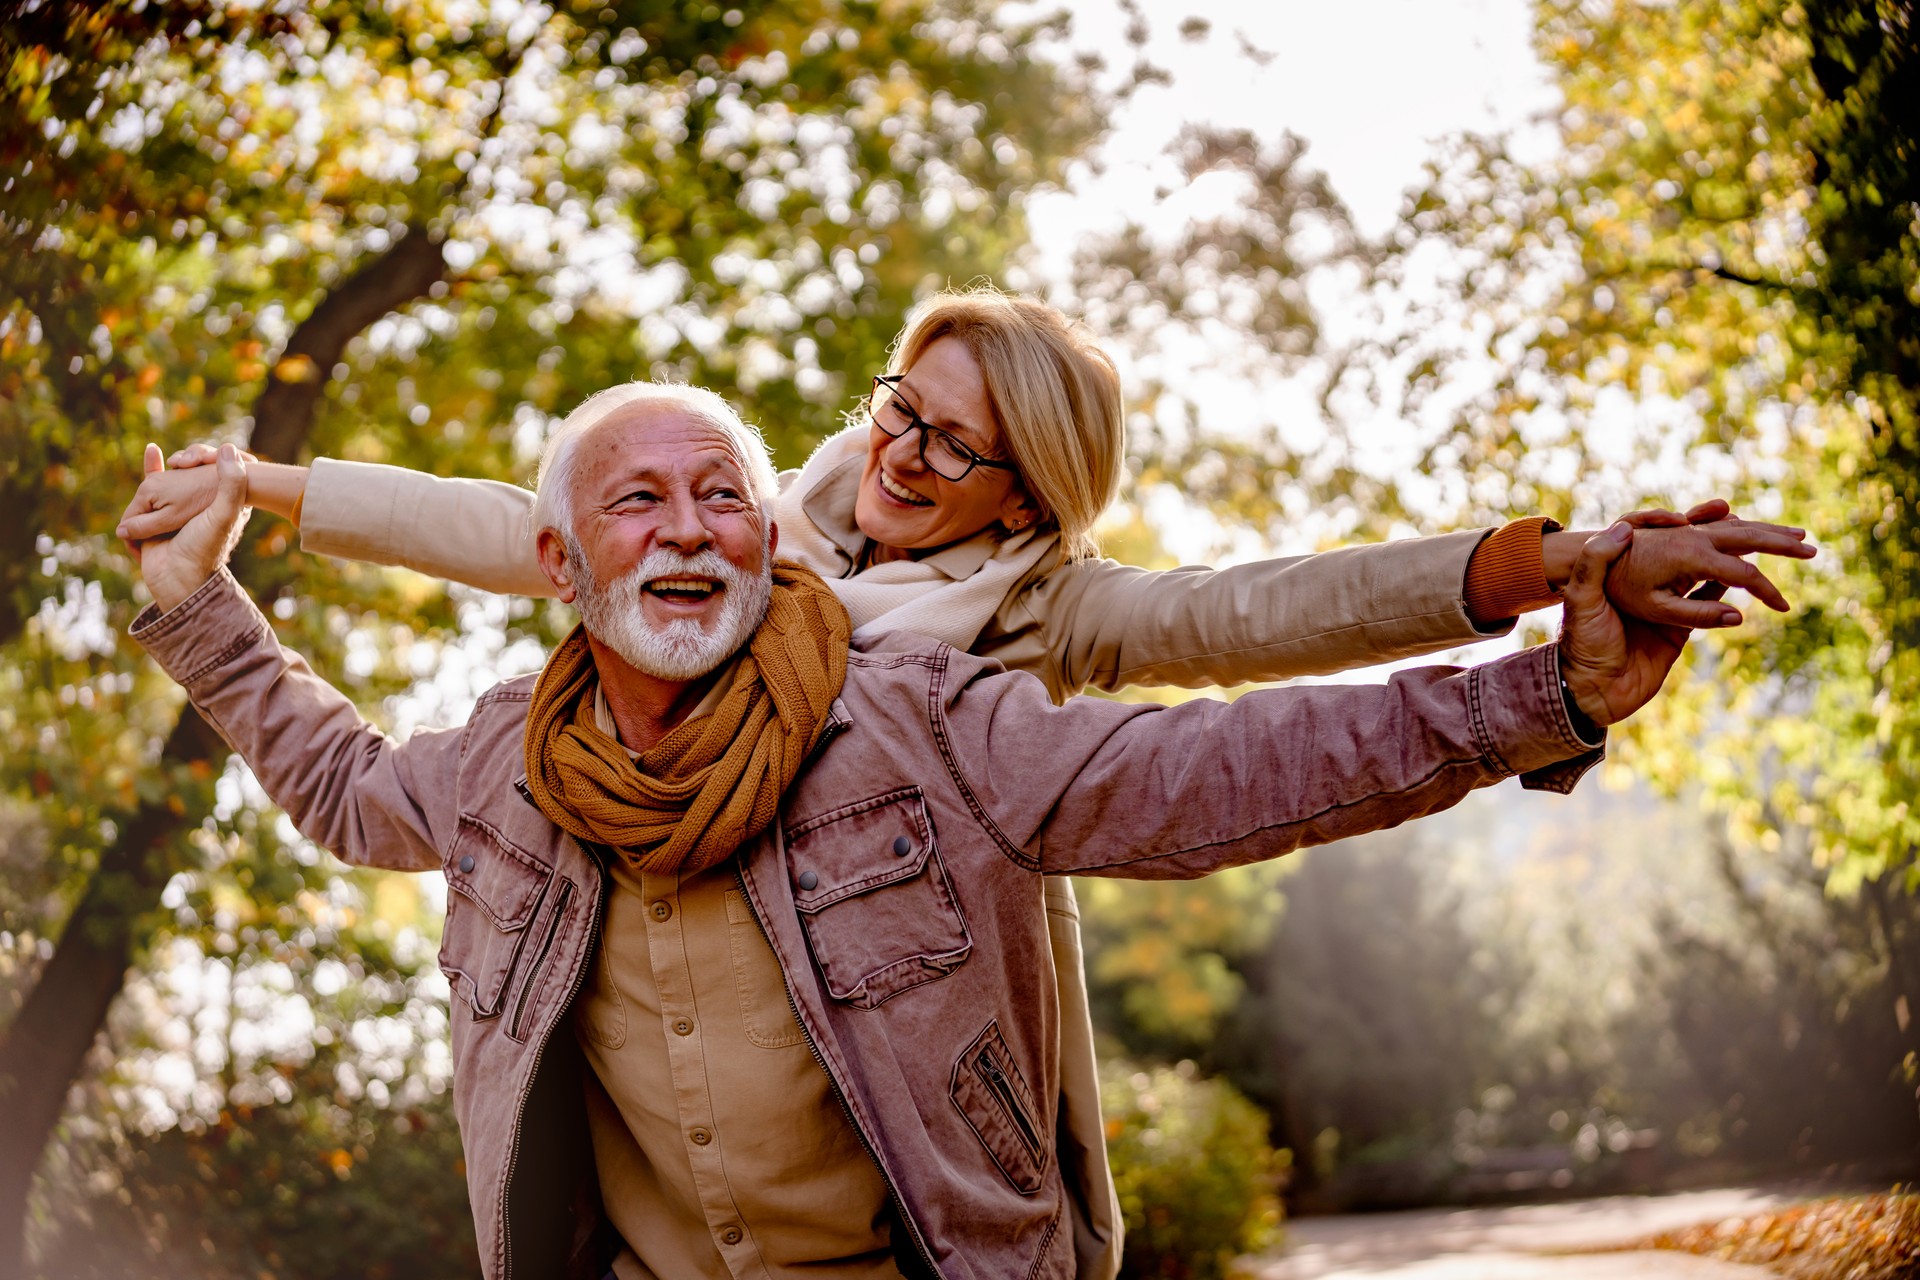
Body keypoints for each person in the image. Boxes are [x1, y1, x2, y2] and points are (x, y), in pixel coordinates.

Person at [115, 288, 1812, 1276]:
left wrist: (1540, 599)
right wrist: (252, 511)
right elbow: (498, 567)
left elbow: (1249, 680)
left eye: (955, 445)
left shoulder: (978, 672)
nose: (905, 460)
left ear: (1024, 490)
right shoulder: (622, 661)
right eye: (898, 417)